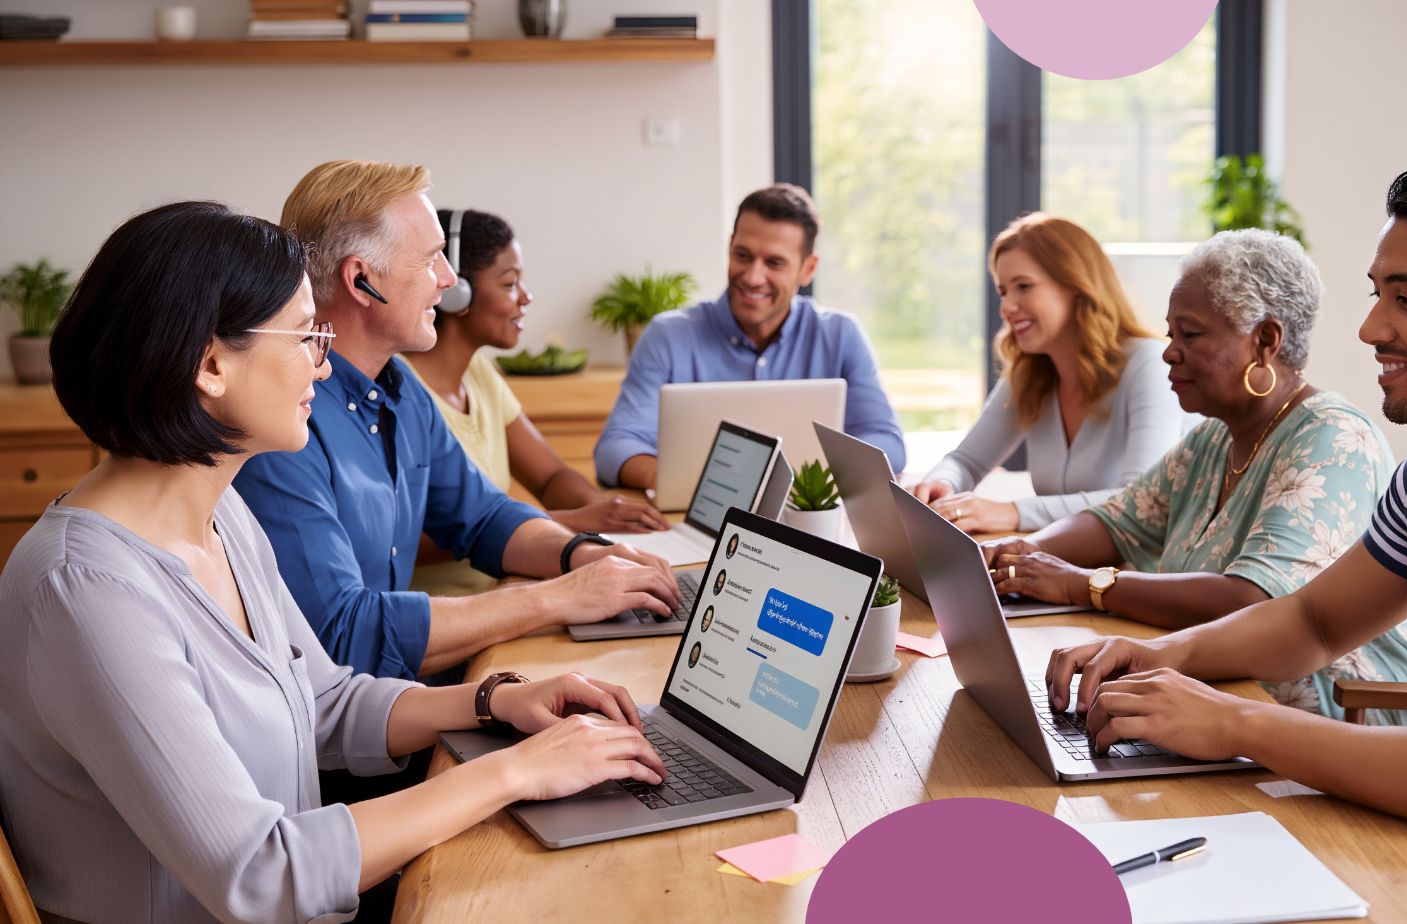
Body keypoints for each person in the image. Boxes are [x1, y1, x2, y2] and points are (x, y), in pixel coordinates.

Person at [0, 201, 665, 923]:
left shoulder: (222, 514)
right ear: (212, 363)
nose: (324, 359)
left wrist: (492, 702)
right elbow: (261, 873)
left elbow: (323, 702)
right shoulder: (87, 590)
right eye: (305, 334)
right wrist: (516, 771)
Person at [1044, 162, 1407, 922]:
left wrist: (1237, 724)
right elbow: (1314, 622)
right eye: (1377, 292)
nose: (1371, 328)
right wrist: (1167, 657)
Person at [234, 161, 680, 683]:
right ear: (362, 280)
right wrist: (557, 598)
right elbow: (342, 638)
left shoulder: (402, 392)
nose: (449, 280)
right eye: (430, 260)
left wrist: (583, 554)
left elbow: (484, 516)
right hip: (353, 737)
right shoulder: (287, 422)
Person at [985, 228, 1407, 722]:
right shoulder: (1216, 437)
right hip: (1221, 701)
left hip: (1337, 717)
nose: (1169, 352)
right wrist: (1022, 554)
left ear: (1265, 341)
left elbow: (1252, 598)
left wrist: (1083, 584)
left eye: (1190, 335)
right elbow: (1118, 520)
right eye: (1171, 333)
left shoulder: (1333, 439)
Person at [402, 208, 669, 597]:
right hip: (451, 614)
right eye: (510, 284)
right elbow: (410, 537)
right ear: (456, 290)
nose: (526, 298)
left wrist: (604, 512)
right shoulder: (399, 386)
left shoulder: (478, 373)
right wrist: (571, 522)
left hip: (509, 587)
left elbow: (551, 476)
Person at [594, 183, 906, 489]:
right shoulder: (668, 336)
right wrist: (685, 483)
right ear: (730, 247)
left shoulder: (840, 334)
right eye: (743, 255)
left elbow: (886, 442)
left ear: (808, 268)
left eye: (774, 263)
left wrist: (807, 485)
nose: (753, 277)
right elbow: (615, 448)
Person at [912, 213, 1193, 533]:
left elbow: (1142, 502)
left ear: (1076, 286)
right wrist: (941, 484)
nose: (1006, 306)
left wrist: (1013, 513)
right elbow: (966, 462)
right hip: (1064, 561)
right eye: (1003, 291)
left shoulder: (1149, 365)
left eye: (1023, 287)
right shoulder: (1030, 372)